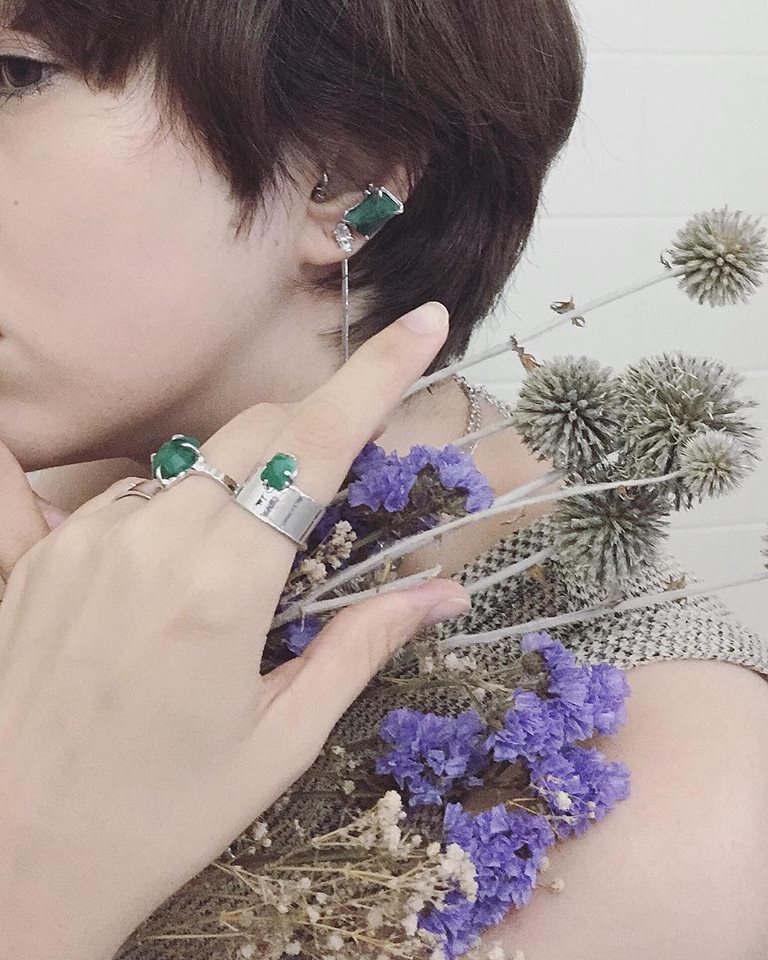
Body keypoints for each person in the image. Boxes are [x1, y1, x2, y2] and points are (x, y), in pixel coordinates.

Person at [0, 2, 767, 958]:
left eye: (14, 74)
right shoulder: (58, 483)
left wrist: (34, 885)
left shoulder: (669, 804)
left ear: (340, 178)